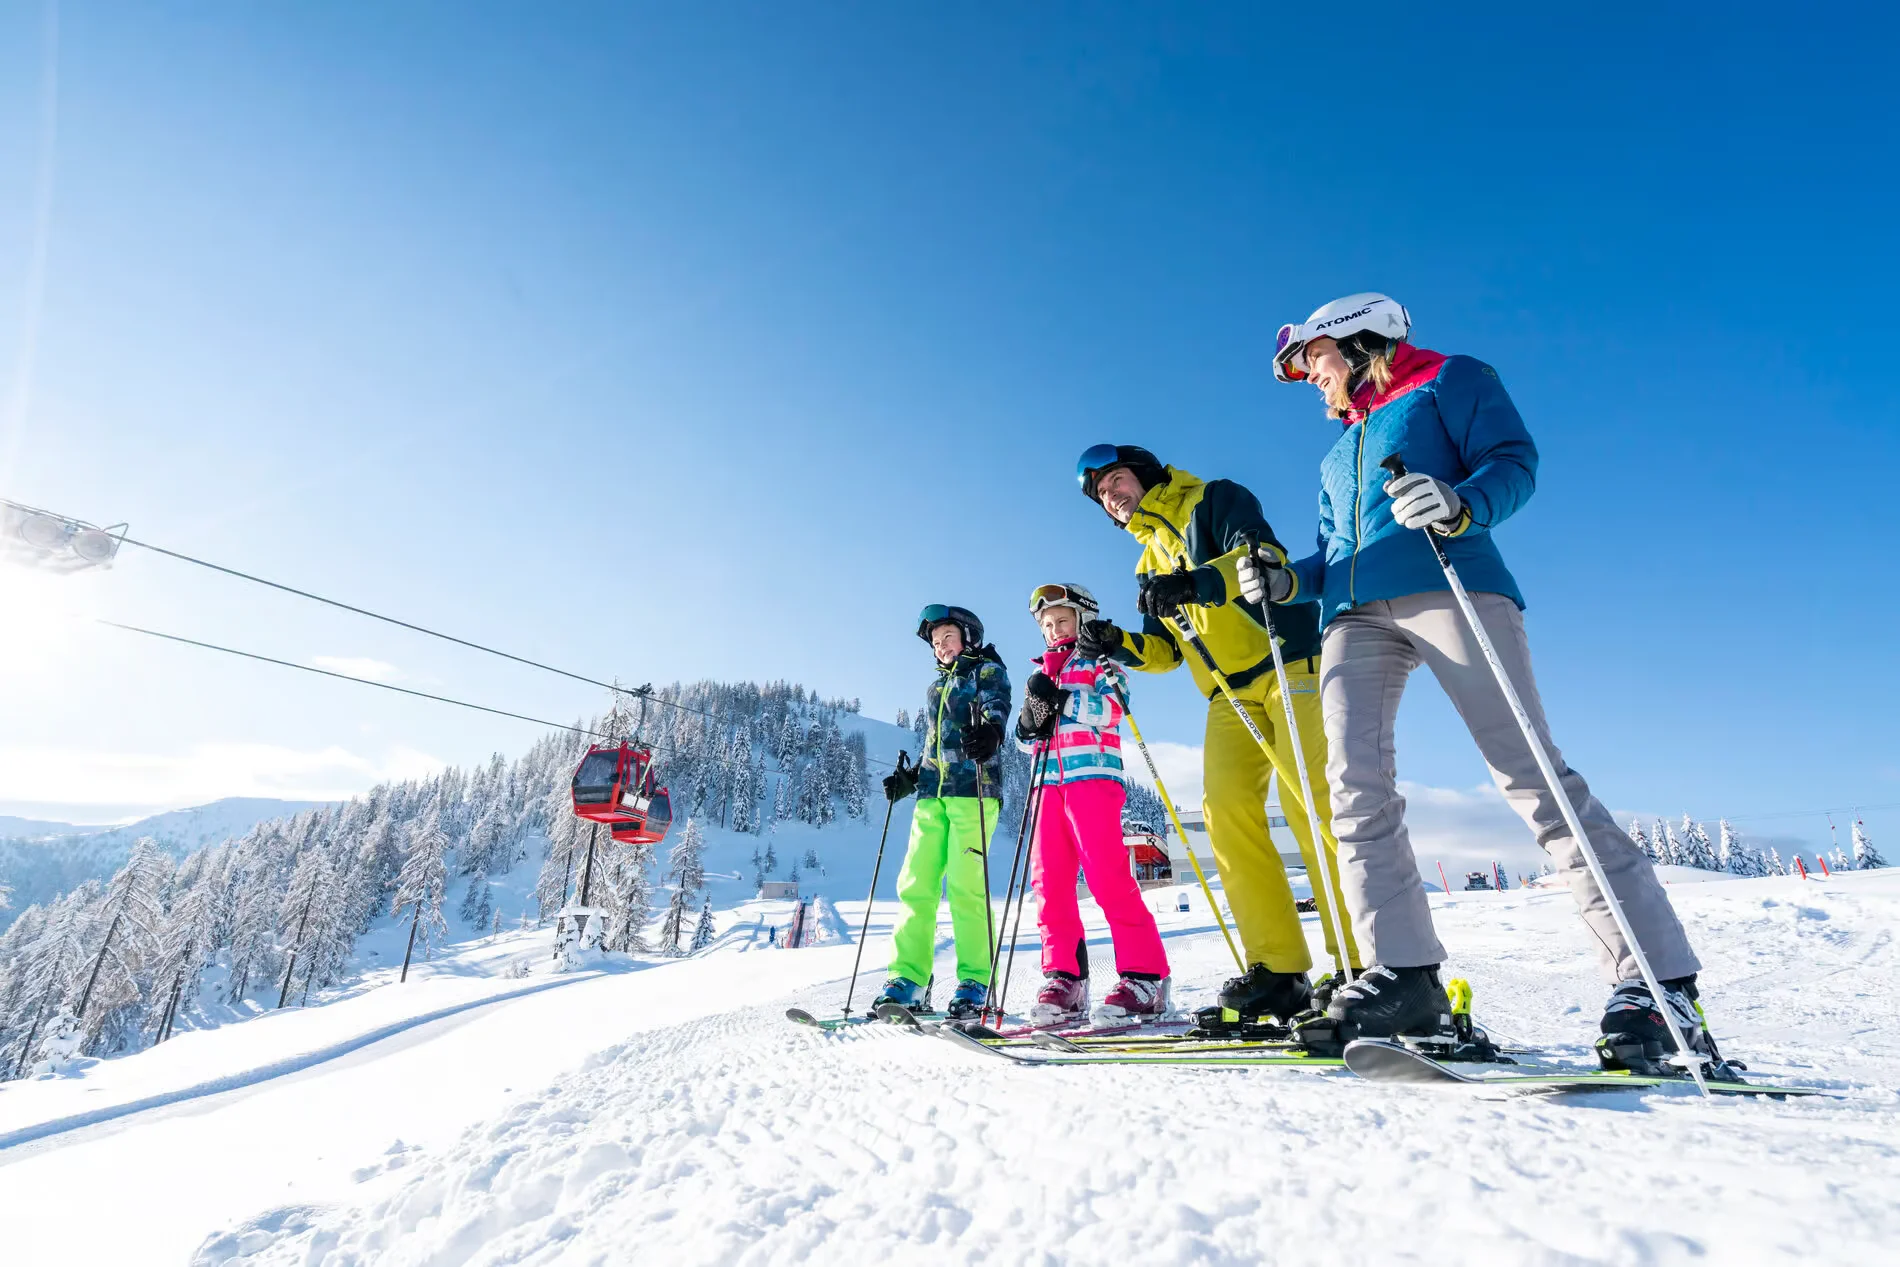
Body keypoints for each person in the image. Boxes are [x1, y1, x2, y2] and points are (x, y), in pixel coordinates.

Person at [1242, 292, 1709, 1072]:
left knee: (1527, 770)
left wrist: (1461, 503)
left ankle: (1656, 985)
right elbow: (1332, 550)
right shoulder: (1334, 455)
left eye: (1314, 361)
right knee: (1353, 784)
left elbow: (1513, 462)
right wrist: (1289, 580)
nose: (1310, 381)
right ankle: (1406, 976)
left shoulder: (1450, 379)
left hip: (1450, 577)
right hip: (1352, 614)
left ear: (1359, 343)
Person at [1071, 445, 1361, 1025]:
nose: (1113, 498)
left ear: (1144, 474)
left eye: (1117, 481)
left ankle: (1360, 962)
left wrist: (1197, 582)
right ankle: (1278, 968)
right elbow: (1167, 651)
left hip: (1288, 663)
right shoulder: (1147, 560)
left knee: (1312, 805)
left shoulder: (1215, 498)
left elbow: (1261, 557)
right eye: (1103, 496)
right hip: (1226, 691)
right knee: (1226, 814)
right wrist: (1121, 643)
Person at [1013, 582, 1172, 1028]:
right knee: (1049, 885)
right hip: (1047, 786)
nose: (1054, 630)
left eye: (1062, 620)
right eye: (1047, 624)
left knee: (1106, 878)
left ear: (1082, 619)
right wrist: (1030, 720)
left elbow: (1116, 708)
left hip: (1092, 780)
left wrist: (1062, 699)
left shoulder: (1098, 660)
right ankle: (1065, 978)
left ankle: (1146, 977)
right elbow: (1027, 743)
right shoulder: (1040, 673)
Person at [873, 604, 1011, 1021]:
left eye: (947, 637)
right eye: (935, 643)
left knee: (966, 887)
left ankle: (975, 980)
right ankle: (908, 978)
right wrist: (913, 778)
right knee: (916, 884)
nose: (941, 647)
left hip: (974, 789)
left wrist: (992, 730)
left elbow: (997, 706)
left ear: (967, 636)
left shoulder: (985, 669)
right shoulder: (937, 688)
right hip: (933, 796)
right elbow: (936, 743)